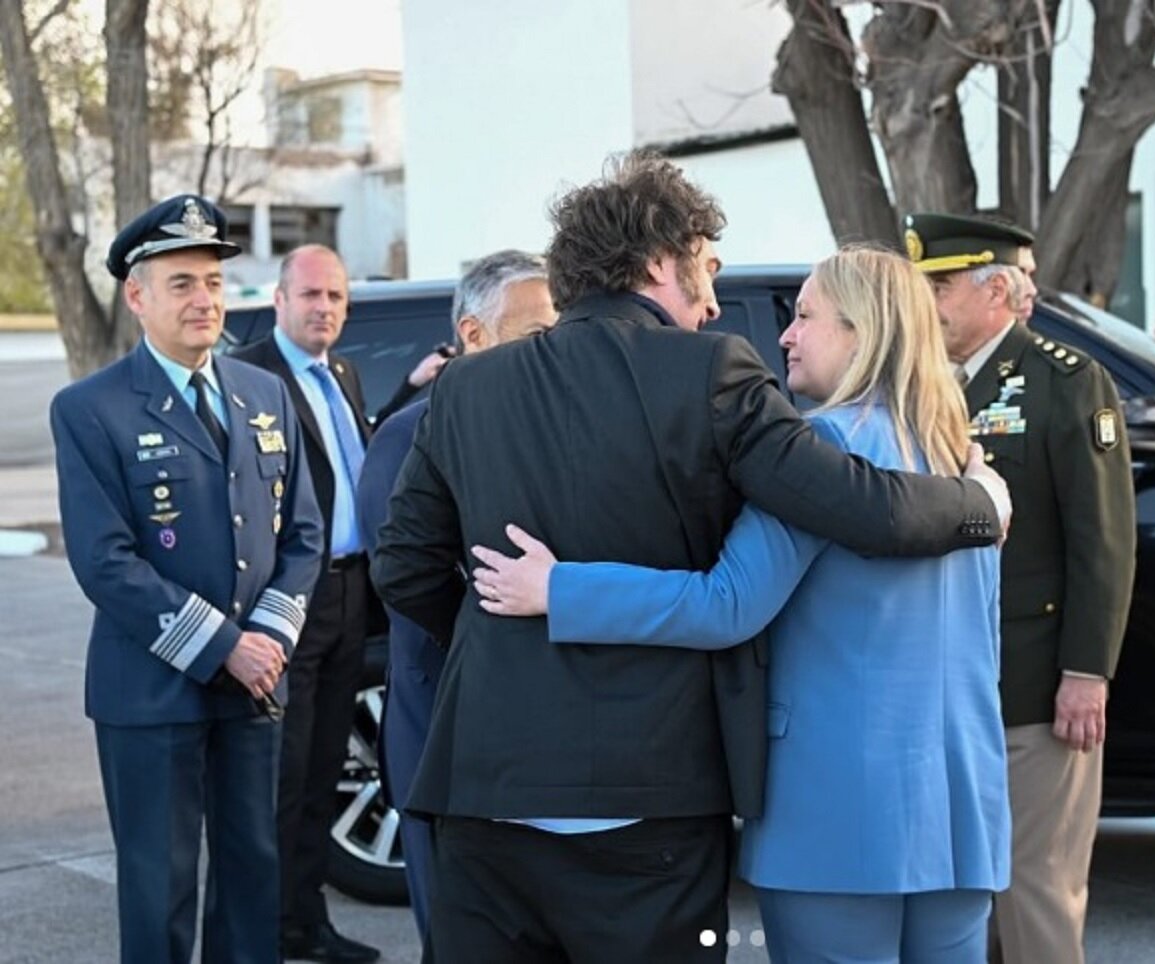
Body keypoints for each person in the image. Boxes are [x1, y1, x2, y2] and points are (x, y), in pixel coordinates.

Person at [371, 151, 1010, 962]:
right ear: (655, 263)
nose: (714, 303)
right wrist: (980, 504)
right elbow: (858, 506)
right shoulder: (717, 375)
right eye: (705, 271)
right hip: (657, 794)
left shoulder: (465, 387)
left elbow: (403, 568)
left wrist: (504, 640)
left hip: (488, 789)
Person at [50, 194, 324, 963]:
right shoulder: (90, 408)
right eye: (181, 283)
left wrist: (266, 638)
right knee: (159, 888)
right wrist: (224, 645)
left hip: (254, 686)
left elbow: (303, 532)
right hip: (152, 691)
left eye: (211, 281)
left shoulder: (264, 392)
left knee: (251, 880)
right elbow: (105, 561)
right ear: (137, 297)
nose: (204, 299)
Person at [904, 212, 1137, 964]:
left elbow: (1102, 542)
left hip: (1034, 689)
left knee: (1035, 894)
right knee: (961, 902)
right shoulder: (921, 385)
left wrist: (1085, 673)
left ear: (996, 288)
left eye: (937, 285)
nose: (925, 302)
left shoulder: (1064, 383)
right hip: (944, 686)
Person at [354, 249, 557, 947]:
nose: (551, 351)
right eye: (536, 334)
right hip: (445, 738)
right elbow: (410, 583)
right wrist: (500, 629)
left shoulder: (553, 430)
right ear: (473, 335)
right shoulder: (409, 435)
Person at [234, 245, 379, 963]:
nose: (325, 308)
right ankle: (265, 930)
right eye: (313, 295)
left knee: (325, 770)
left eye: (337, 298)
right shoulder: (248, 375)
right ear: (281, 301)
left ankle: (305, 924)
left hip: (351, 592)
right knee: (281, 780)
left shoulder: (341, 373)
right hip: (289, 598)